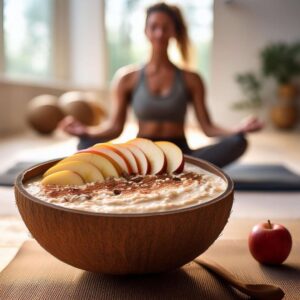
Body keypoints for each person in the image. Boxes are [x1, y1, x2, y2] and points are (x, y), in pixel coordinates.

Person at [60, 2, 263, 168]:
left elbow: (208, 128)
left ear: (174, 32)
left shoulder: (191, 78)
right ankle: (169, 171)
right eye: (154, 27)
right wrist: (86, 131)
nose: (159, 33)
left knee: (238, 142)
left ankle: (178, 168)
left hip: (182, 154)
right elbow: (114, 128)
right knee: (84, 144)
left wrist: (238, 128)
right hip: (140, 156)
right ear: (146, 31)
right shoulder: (126, 78)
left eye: (165, 28)